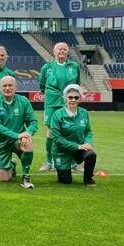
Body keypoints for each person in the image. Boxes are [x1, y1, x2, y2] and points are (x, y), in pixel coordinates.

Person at [0, 76, 37, 189]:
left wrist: (28, 133)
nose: (7, 88)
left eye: (10, 85)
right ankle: (11, 165)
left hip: (18, 141)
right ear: (0, 88)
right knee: (4, 179)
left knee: (28, 143)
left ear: (16, 87)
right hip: (0, 143)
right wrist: (17, 135)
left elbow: (33, 122)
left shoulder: (23, 101)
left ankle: (26, 177)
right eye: (4, 86)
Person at [39, 42, 81, 172]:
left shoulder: (74, 66)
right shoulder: (47, 67)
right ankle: (49, 162)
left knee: (71, 131)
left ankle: (74, 162)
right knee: (51, 131)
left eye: (64, 49)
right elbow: (42, 86)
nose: (62, 51)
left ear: (67, 52)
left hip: (69, 102)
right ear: (54, 51)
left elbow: (77, 84)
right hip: (52, 102)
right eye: (59, 49)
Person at [50, 84, 97, 186]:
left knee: (91, 154)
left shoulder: (84, 113)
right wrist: (77, 146)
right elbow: (56, 138)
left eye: (76, 97)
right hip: (61, 151)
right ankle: (64, 168)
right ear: (65, 98)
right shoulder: (57, 115)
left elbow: (88, 131)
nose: (73, 100)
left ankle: (88, 179)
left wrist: (88, 143)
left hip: (78, 149)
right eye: (70, 97)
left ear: (80, 99)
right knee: (66, 181)